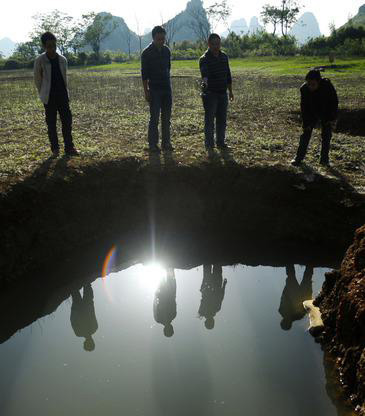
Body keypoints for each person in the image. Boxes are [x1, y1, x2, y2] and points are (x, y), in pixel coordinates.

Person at [34, 32, 78, 157]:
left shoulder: (63, 60)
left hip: (63, 95)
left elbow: (64, 77)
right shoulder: (40, 60)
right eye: (49, 46)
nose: (52, 48)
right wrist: (43, 94)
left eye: (54, 45)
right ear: (44, 46)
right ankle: (55, 149)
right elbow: (37, 80)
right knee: (51, 124)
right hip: (49, 97)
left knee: (67, 122)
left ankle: (69, 147)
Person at [291, 69, 338, 167]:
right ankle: (298, 158)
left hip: (326, 112)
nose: (310, 87)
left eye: (313, 84)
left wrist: (332, 118)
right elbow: (304, 107)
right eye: (308, 84)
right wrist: (306, 123)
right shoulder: (304, 89)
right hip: (311, 112)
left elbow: (334, 102)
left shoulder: (327, 86)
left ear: (319, 82)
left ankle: (324, 160)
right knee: (305, 134)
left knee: (326, 135)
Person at [199, 33, 234, 151]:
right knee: (209, 121)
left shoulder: (224, 57)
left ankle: (220, 142)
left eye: (218, 44)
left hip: (223, 93)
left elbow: (228, 75)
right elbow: (205, 74)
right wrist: (205, 82)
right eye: (213, 44)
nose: (216, 46)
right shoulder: (204, 59)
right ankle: (209, 144)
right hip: (211, 94)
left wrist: (230, 91)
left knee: (222, 120)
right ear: (209, 44)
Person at [141, 26, 173, 153]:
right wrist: (146, 92)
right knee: (154, 118)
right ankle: (153, 145)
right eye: (159, 39)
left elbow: (168, 69)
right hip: (154, 90)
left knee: (166, 118)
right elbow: (144, 75)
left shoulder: (167, 51)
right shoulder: (146, 53)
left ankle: (166, 143)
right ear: (153, 38)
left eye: (163, 39)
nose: (161, 41)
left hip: (167, 89)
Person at [278, 265, 313, 331]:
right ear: (290, 323)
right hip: (301, 295)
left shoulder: (282, 311)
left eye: (284, 322)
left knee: (292, 276)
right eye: (287, 323)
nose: (286, 321)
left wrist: (287, 288)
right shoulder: (298, 316)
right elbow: (307, 305)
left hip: (293, 292)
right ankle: (310, 263)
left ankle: (289, 261)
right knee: (306, 278)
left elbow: (283, 298)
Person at [70, 283, 98, 351]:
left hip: (85, 306)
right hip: (79, 308)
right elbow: (72, 320)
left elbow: (92, 313)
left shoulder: (94, 328)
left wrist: (75, 309)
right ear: (84, 343)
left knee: (84, 287)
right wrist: (74, 309)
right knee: (75, 290)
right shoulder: (78, 333)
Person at [198, 264, 227, 330]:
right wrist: (224, 285)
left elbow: (221, 296)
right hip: (209, 286)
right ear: (206, 322)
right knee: (208, 268)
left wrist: (224, 285)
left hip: (213, 285)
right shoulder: (202, 312)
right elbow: (221, 296)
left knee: (215, 267)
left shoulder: (216, 309)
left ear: (212, 321)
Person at [153, 268, 177, 337]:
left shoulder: (173, 315)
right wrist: (156, 293)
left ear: (171, 328)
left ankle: (167, 260)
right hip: (163, 293)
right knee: (165, 273)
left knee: (169, 272)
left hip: (168, 293)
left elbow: (155, 305)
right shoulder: (158, 319)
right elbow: (155, 304)